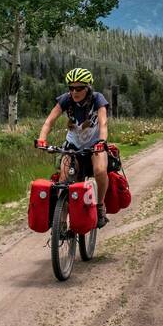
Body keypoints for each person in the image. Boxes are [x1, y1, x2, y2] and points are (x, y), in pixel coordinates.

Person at [36, 68, 110, 228]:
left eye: (79, 88)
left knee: (100, 170)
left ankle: (100, 206)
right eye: (71, 88)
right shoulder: (66, 100)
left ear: (88, 87)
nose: (74, 92)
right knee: (63, 181)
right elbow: (49, 121)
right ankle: (60, 224)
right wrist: (42, 139)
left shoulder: (98, 98)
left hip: (95, 144)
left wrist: (102, 142)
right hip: (72, 145)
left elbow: (103, 122)